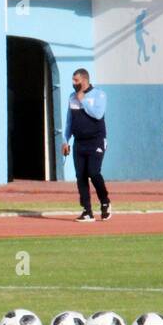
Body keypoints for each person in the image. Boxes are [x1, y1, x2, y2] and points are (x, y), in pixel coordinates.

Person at [61, 69, 111, 222]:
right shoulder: (72, 97)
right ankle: (87, 211)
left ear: (84, 80)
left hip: (96, 140)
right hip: (79, 142)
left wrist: (82, 100)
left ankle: (105, 201)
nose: (73, 83)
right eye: (72, 80)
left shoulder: (99, 95)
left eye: (76, 80)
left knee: (93, 172)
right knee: (80, 176)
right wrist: (65, 140)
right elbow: (69, 121)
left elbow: (98, 114)